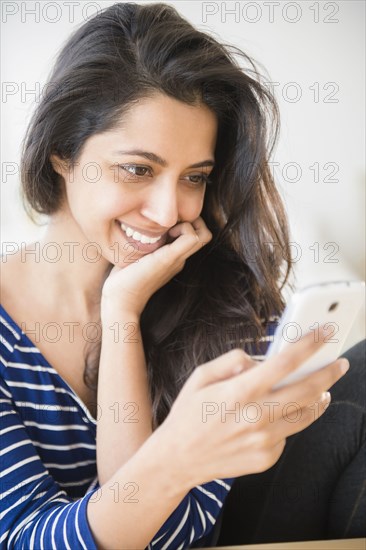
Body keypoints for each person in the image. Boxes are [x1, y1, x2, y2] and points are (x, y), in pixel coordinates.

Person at [0, 2, 364, 549]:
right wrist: (174, 455)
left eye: (194, 177)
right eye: (138, 169)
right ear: (61, 153)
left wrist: (121, 313)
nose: (170, 211)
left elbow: (171, 536)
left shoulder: (223, 302)